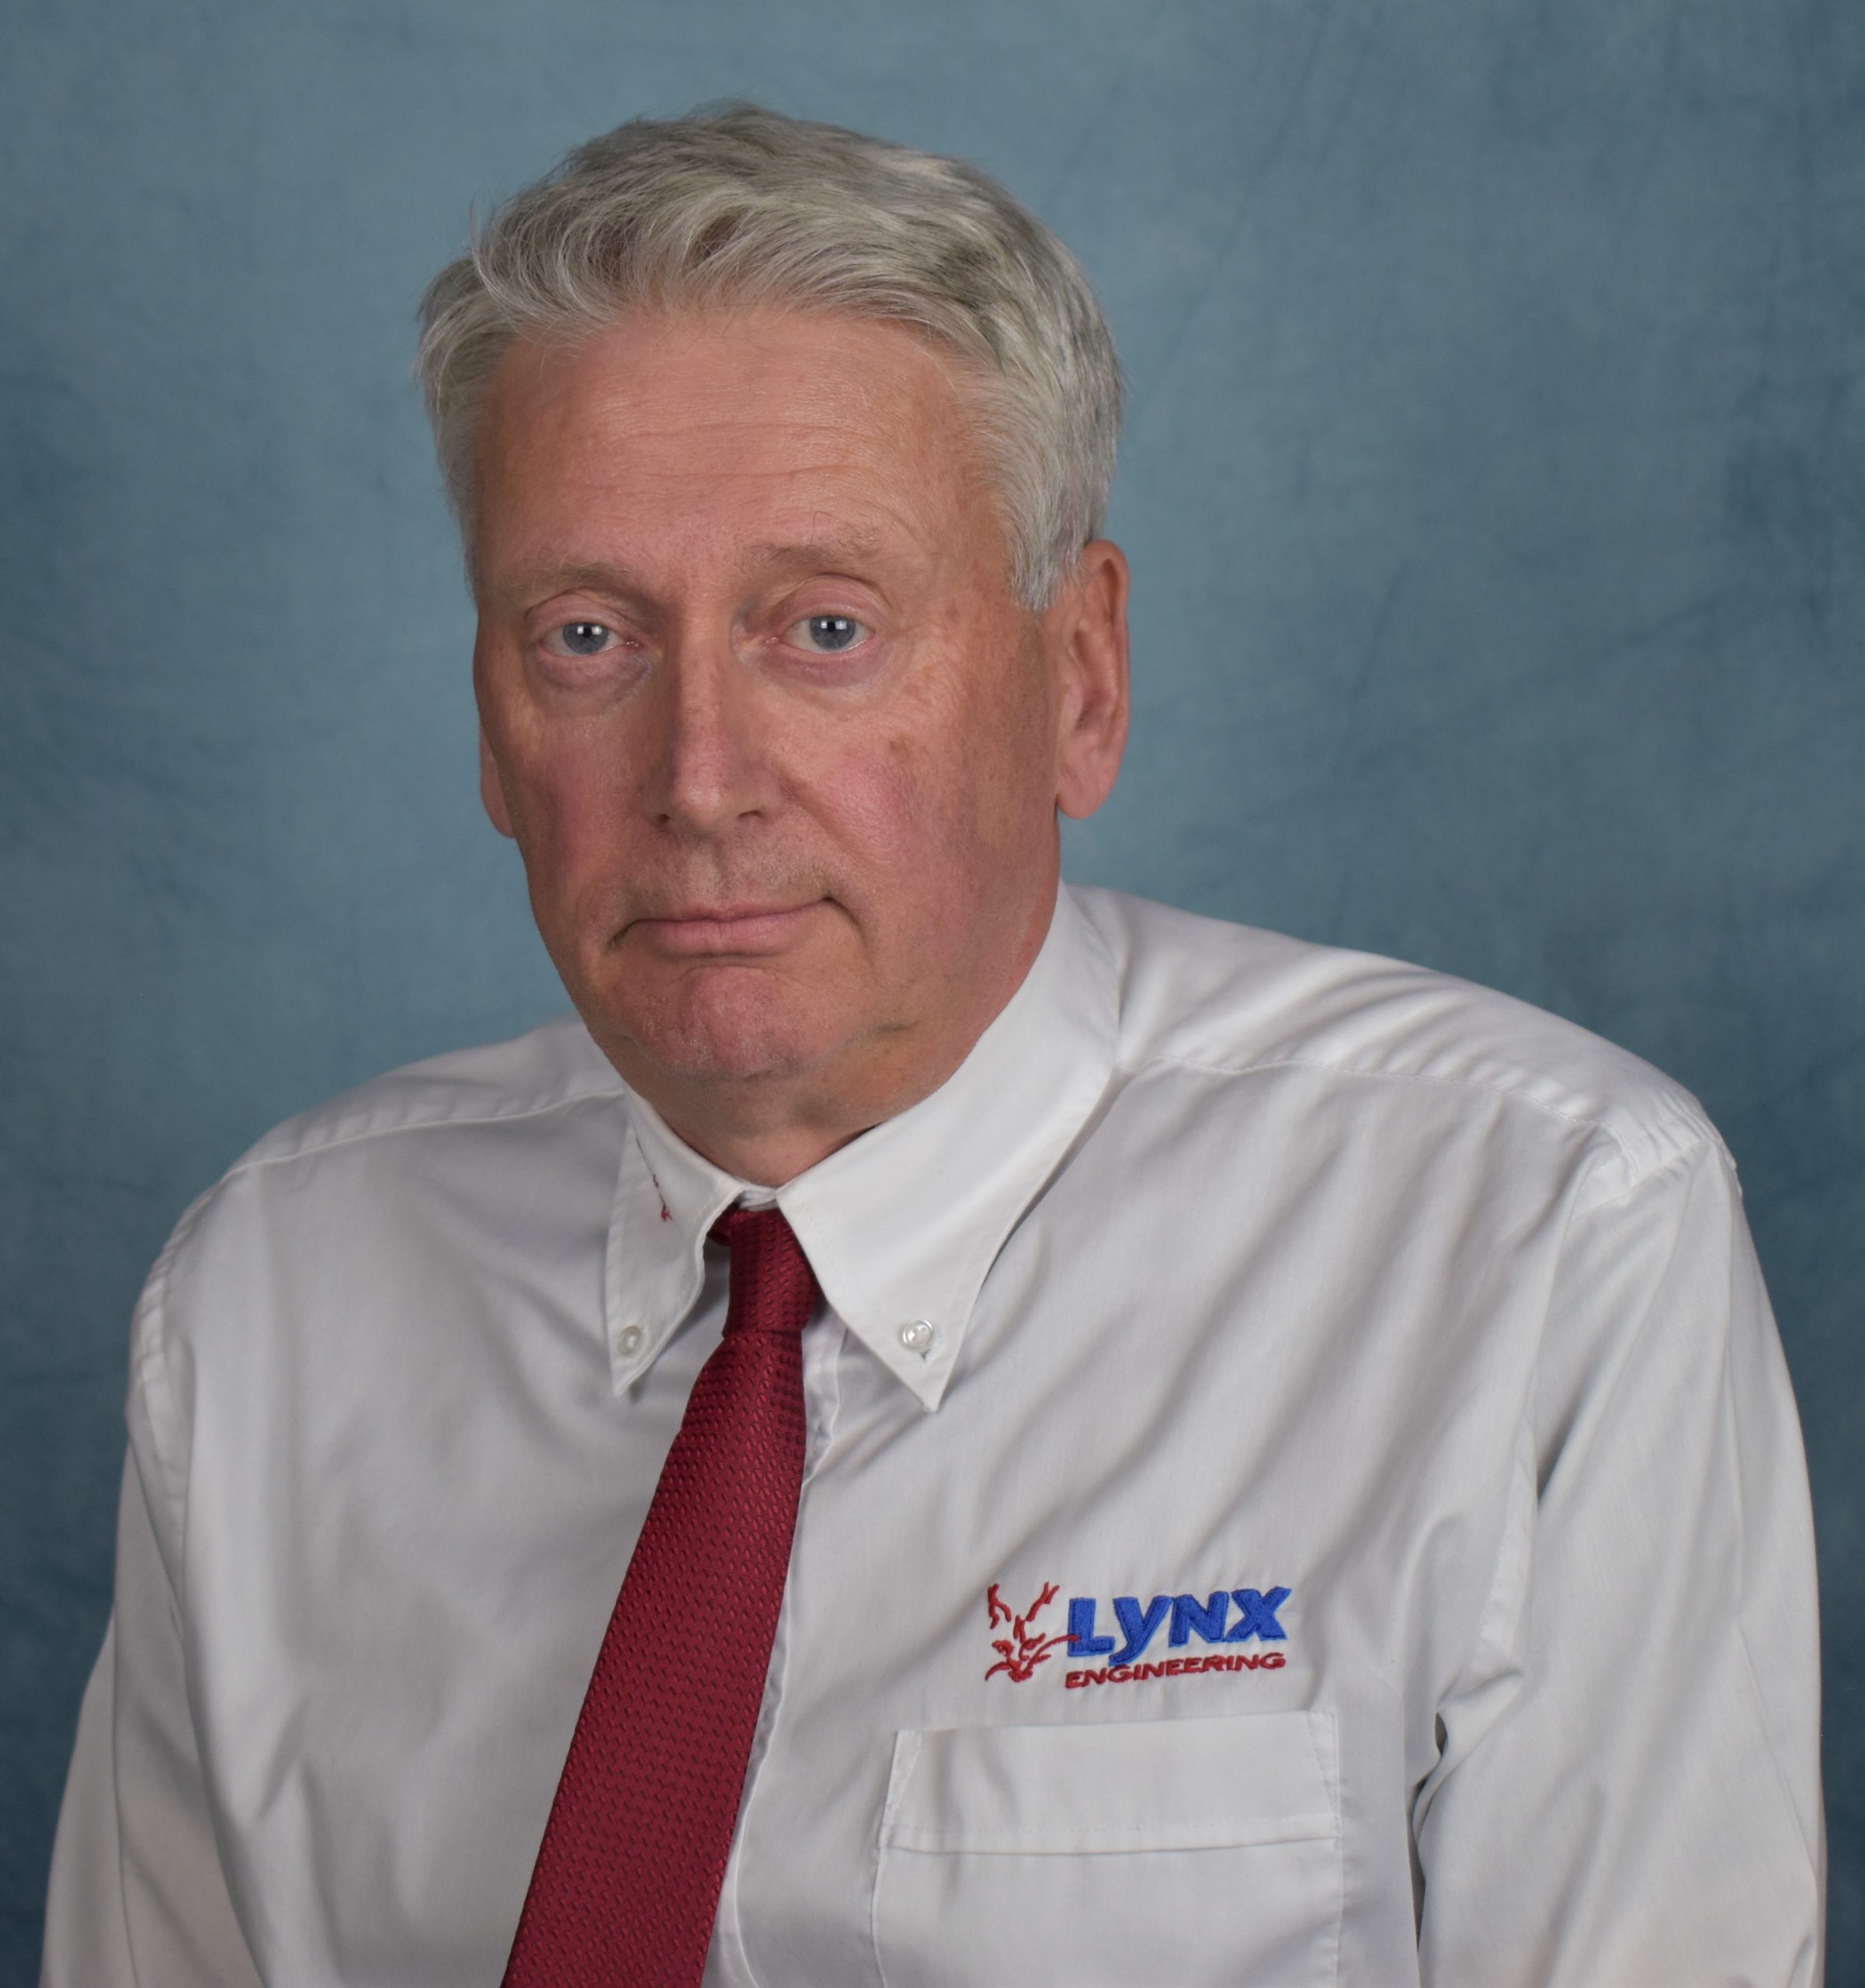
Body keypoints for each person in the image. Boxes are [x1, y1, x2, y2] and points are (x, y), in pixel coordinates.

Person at [42, 104, 1822, 1986]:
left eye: (826, 626)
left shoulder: (1536, 1239)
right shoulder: (271, 1303)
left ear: (1080, 679)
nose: (699, 779)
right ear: (490, 723)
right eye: (586, 636)